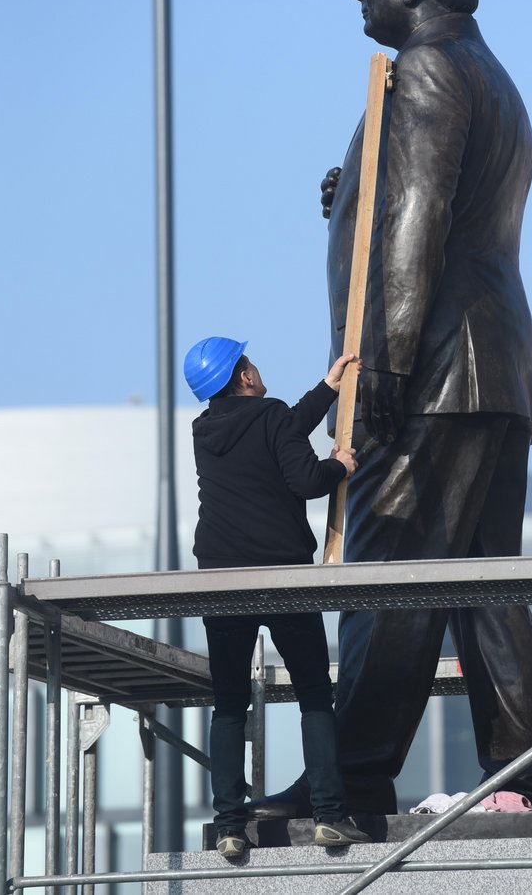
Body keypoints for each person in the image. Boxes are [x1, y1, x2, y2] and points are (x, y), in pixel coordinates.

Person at [250, 0, 532, 821]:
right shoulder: (492, 78)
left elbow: (419, 219)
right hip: (496, 368)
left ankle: (347, 781)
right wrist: (352, 183)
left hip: (433, 371)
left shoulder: (426, 69)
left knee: (388, 570)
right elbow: (424, 199)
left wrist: (382, 369)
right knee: (486, 585)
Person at [184, 335, 372, 857]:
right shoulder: (270, 417)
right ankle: (330, 816)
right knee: (314, 693)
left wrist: (328, 388)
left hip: (220, 577)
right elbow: (305, 477)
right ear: (244, 375)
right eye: (252, 363)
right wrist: (340, 465)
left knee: (228, 703)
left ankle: (229, 826)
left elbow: (280, 429)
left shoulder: (204, 429)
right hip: (280, 572)